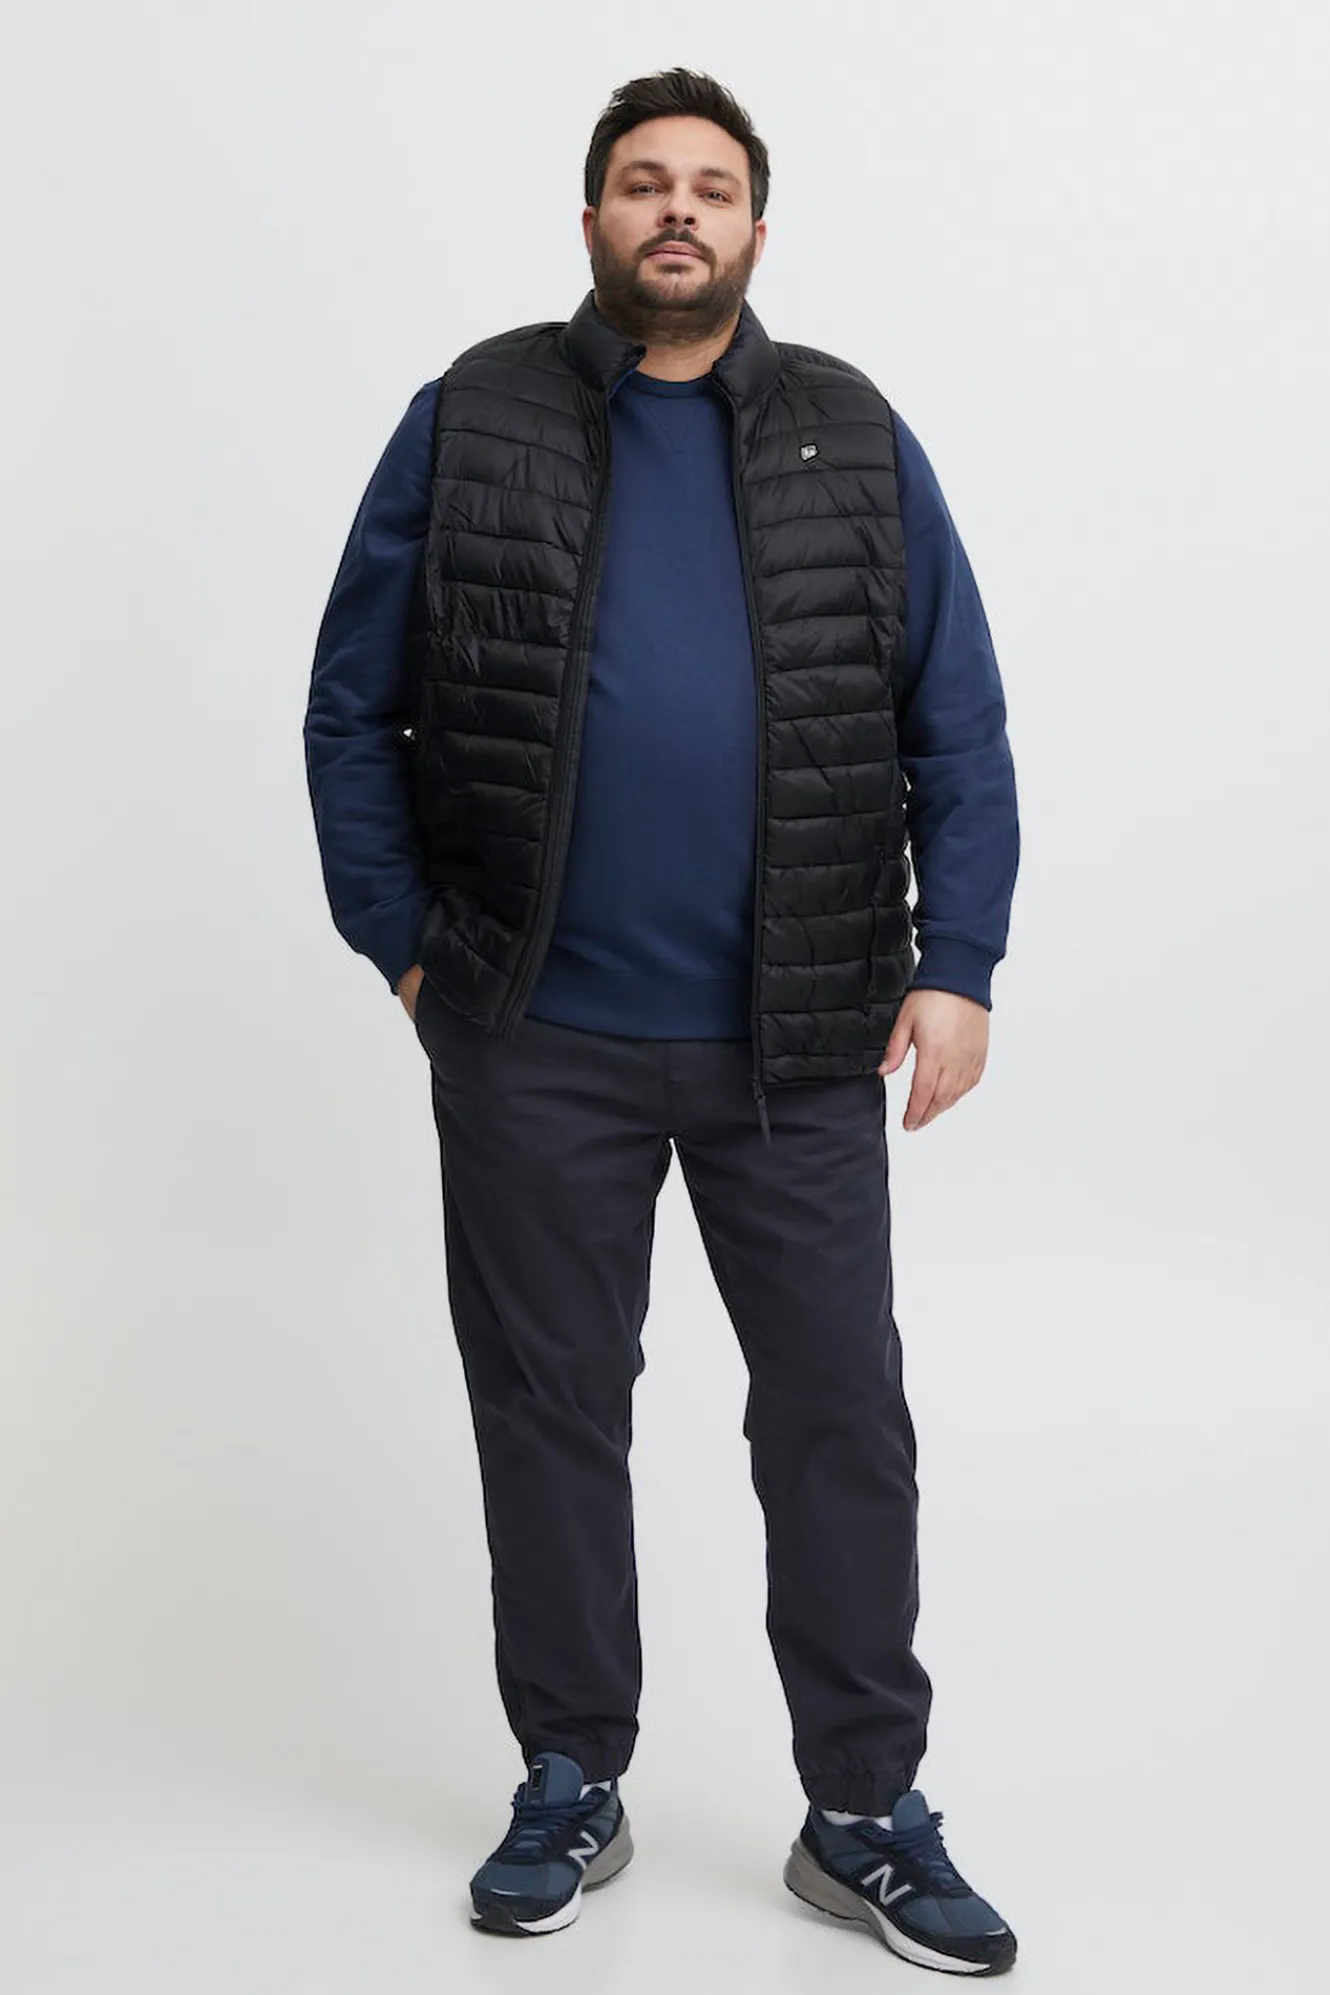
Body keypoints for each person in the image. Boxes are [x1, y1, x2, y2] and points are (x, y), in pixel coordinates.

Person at [304, 65, 1020, 1978]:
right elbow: (350, 705)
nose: (676, 210)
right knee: (550, 1409)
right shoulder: (471, 415)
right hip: (534, 1032)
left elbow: (954, 721)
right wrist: (405, 946)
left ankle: (861, 1809)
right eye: (642, 182)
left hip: (798, 1040)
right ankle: (570, 1772)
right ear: (594, 219)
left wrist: (957, 962)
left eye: (709, 185)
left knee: (839, 1413)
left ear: (756, 228)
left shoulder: (852, 435)